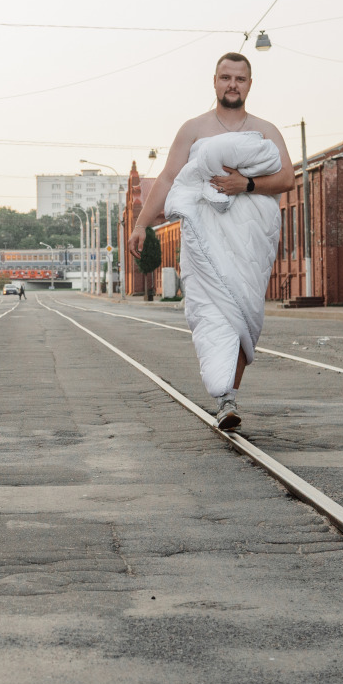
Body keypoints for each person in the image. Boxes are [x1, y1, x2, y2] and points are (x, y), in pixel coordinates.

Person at [127, 52, 295, 429]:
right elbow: (169, 178)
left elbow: (287, 179)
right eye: (225, 77)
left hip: (249, 242)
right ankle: (225, 398)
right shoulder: (194, 129)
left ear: (249, 84)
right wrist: (142, 224)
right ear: (215, 81)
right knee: (212, 313)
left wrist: (245, 184)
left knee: (240, 314)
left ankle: (227, 397)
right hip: (204, 240)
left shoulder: (266, 130)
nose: (232, 84)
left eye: (240, 78)